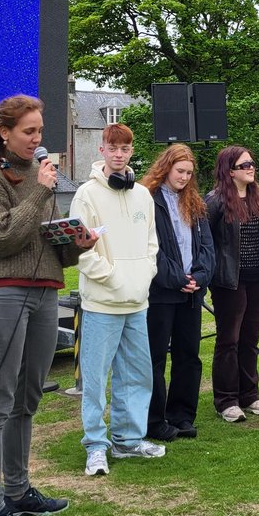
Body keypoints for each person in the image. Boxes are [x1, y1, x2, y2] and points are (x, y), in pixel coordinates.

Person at [0, 94, 98, 516]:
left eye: (41, 132)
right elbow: (1, 238)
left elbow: (40, 244)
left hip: (45, 292)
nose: (38, 140)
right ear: (4, 133)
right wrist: (42, 191)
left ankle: (18, 491)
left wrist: (76, 241)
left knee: (27, 399)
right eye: (29, 132)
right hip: (3, 294)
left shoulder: (37, 181)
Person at [70, 123, 164, 477]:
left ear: (131, 152)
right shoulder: (86, 195)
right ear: (102, 150)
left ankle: (128, 440)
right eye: (113, 148)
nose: (119, 154)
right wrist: (113, 277)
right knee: (95, 380)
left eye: (125, 149)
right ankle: (96, 445)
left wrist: (144, 275)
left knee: (137, 375)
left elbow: (151, 242)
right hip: (102, 305)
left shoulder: (142, 194)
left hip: (137, 303)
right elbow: (79, 250)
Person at [141, 144, 215, 441]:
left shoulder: (195, 202)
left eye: (189, 173)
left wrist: (199, 276)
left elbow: (208, 248)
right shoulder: (148, 199)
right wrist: (176, 278)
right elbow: (150, 249)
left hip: (190, 294)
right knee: (155, 357)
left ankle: (182, 416)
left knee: (188, 355)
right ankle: (154, 420)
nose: (184, 177)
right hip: (160, 294)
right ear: (166, 167)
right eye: (180, 171)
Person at [206, 145, 259, 422]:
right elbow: (205, 242)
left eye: (252, 163)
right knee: (229, 340)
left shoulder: (256, 197)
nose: (251, 168)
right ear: (229, 170)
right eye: (244, 165)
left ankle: (250, 395)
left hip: (256, 277)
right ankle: (226, 400)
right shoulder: (215, 201)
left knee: (250, 339)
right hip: (229, 281)